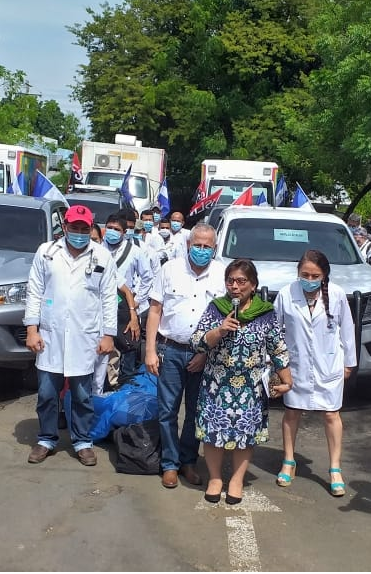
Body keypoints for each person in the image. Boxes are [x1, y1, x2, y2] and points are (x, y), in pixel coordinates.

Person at [23, 204, 118, 466]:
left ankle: (82, 441)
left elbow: (109, 297)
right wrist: (32, 329)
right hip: (50, 335)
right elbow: (34, 291)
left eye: (83, 228)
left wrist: (109, 334)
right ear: (64, 227)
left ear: (90, 229)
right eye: (73, 227)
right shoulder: (47, 252)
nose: (78, 232)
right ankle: (46, 439)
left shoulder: (102, 256)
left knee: (82, 395)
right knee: (46, 393)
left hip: (85, 335)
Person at [191, 258, 292, 504]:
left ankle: (236, 480)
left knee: (245, 435)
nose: (235, 286)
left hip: (250, 386)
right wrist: (219, 330)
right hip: (217, 384)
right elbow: (196, 341)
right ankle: (215, 478)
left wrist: (286, 380)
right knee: (214, 433)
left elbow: (277, 348)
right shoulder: (217, 308)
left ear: (253, 284)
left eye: (241, 281)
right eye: (230, 281)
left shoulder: (266, 313)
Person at [144, 222, 226, 489]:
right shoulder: (170, 269)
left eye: (207, 247)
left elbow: (224, 318)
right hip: (171, 350)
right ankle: (170, 464)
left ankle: (188, 461)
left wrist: (205, 352)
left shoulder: (221, 274)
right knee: (167, 410)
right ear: (189, 245)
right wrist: (150, 350)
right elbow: (155, 310)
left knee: (195, 411)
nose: (201, 250)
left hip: (204, 355)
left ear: (214, 248)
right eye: (197, 245)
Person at [273, 250, 356, 497]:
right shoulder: (286, 294)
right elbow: (276, 331)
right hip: (295, 365)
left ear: (324, 275)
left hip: (328, 364)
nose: (309, 279)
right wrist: (277, 365)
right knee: (292, 411)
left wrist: (349, 363)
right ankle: (288, 460)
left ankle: (334, 468)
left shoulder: (337, 294)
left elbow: (347, 329)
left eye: (315, 275)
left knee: (331, 414)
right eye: (304, 274)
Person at [99, 213, 148, 384]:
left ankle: (126, 385)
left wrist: (137, 301)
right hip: (101, 305)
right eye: (109, 228)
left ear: (124, 232)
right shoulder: (98, 248)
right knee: (105, 351)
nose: (112, 232)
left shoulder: (135, 252)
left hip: (126, 306)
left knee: (127, 346)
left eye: (116, 229)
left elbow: (147, 277)